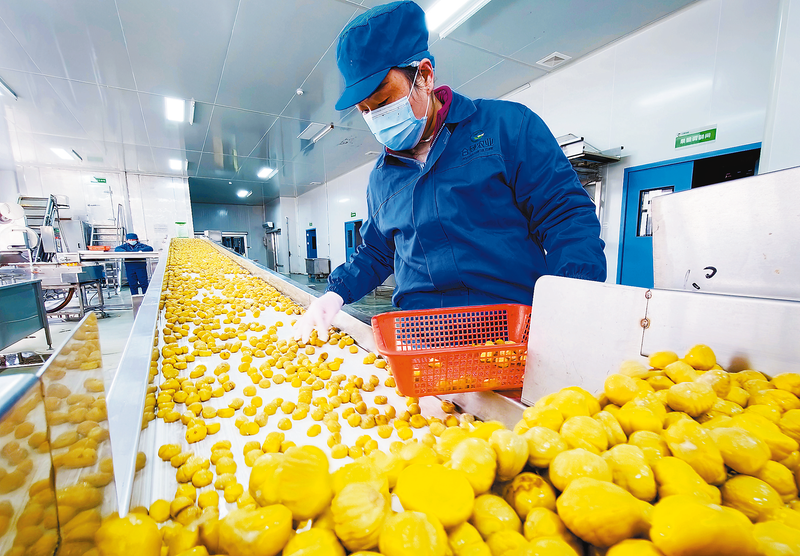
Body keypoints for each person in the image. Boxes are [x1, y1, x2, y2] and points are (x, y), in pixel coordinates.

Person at [295, 0, 606, 343]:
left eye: (383, 102)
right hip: (421, 339)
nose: (376, 118)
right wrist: (335, 293)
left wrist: (571, 297)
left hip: (509, 335)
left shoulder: (506, 128)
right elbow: (376, 251)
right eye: (365, 110)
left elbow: (564, 216)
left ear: (425, 76)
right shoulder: (382, 178)